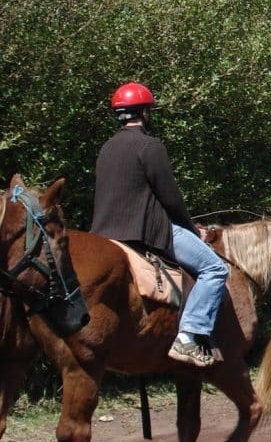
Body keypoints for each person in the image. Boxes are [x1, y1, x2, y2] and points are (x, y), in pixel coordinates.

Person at [92, 82, 229, 368]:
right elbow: (170, 198)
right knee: (215, 269)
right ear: (145, 111)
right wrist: (193, 229)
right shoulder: (150, 146)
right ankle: (189, 335)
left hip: (104, 233)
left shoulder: (106, 148)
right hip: (148, 231)